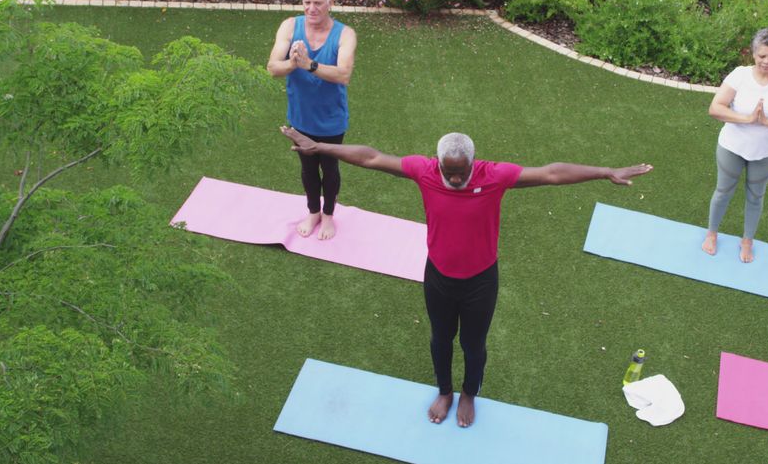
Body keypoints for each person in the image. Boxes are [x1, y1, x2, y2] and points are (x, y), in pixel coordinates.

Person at [279, 126, 652, 428]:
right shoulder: (424, 171)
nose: (455, 179)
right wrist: (322, 148)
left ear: (473, 164)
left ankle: (469, 394)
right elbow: (373, 157)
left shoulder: (495, 176)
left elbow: (552, 173)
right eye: (449, 171)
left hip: (480, 282)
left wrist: (605, 172)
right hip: (438, 276)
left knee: (474, 345)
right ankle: (444, 391)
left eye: (461, 172)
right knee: (441, 339)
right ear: (438, 163)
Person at [702, 28, 768, 262]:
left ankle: (747, 241)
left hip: (766, 152)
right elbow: (715, 107)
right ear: (753, 54)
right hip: (732, 147)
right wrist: (747, 119)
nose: (766, 61)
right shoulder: (739, 75)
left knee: (755, 196)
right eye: (762, 56)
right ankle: (711, 234)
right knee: (723, 191)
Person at [267, 0, 358, 240]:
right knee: (308, 169)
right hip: (300, 118)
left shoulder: (345, 34)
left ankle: (328, 215)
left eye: (318, 3)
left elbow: (343, 74)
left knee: (329, 168)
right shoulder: (289, 26)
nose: (311, 8)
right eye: (307, 2)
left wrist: (310, 65)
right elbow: (273, 67)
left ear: (331, 2)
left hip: (331, 120)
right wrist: (294, 63)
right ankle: (313, 211)